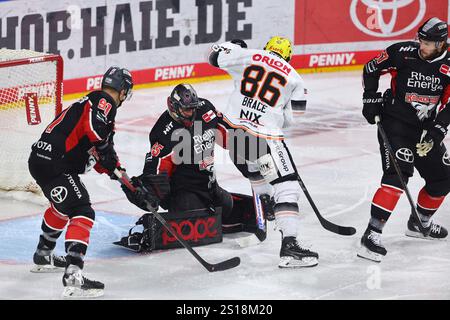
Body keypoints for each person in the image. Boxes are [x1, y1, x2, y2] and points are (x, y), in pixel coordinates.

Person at [208, 36, 318, 268]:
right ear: (288, 57)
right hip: (265, 136)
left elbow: (214, 56)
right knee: (287, 184)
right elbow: (293, 119)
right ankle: (290, 245)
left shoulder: (248, 56)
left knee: (255, 166)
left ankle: (266, 203)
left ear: (268, 49)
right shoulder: (294, 77)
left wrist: (235, 45)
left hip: (232, 133)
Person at [118, 83, 268, 252]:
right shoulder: (163, 132)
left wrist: (250, 147)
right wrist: (147, 192)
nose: (191, 113)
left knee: (239, 210)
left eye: (193, 109)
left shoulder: (205, 110)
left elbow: (228, 136)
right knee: (201, 227)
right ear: (174, 107)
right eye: (186, 110)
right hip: (184, 193)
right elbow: (155, 170)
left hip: (210, 187)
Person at [28, 66, 134, 297]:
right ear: (123, 90)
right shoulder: (104, 101)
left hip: (40, 160)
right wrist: (106, 153)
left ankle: (43, 254)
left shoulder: (90, 103)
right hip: (56, 163)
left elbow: (96, 150)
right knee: (82, 210)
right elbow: (96, 134)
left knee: (62, 206)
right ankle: (73, 277)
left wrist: (118, 173)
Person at [358, 17, 450, 262]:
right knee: (398, 175)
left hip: (423, 130)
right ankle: (372, 234)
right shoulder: (402, 52)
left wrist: (437, 132)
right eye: (421, 39)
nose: (423, 45)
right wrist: (370, 99)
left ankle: (420, 222)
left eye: (429, 43)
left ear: (442, 44)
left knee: (443, 178)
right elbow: (371, 68)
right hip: (394, 123)